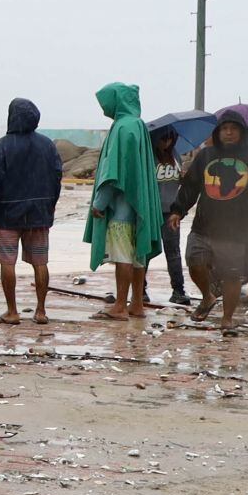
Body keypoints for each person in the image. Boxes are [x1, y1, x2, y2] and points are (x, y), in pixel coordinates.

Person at [167, 108, 248, 332]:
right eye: (224, 129)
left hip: (236, 227)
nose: (228, 133)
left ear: (242, 132)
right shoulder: (206, 155)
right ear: (217, 132)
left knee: (232, 274)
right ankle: (208, 296)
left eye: (233, 129)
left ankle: (227, 319)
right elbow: (191, 185)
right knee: (194, 262)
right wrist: (178, 210)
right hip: (204, 223)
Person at [0, 98, 63, 326]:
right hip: (39, 215)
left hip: (7, 216)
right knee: (40, 262)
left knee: (7, 262)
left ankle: (12, 311)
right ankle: (41, 311)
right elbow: (56, 179)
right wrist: (49, 207)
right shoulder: (48, 145)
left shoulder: (1, 146)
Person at [83, 83, 162, 320]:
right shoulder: (138, 125)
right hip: (140, 205)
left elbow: (113, 172)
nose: (103, 109)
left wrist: (100, 202)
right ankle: (136, 304)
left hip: (122, 206)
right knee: (138, 255)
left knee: (123, 257)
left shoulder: (122, 128)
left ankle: (119, 305)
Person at [149, 128, 193, 306]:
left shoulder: (175, 156)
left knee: (173, 252)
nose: (166, 143)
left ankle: (178, 290)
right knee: (145, 252)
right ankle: (140, 290)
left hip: (171, 212)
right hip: (151, 211)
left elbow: (180, 183)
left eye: (170, 139)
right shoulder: (148, 157)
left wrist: (183, 179)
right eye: (162, 139)